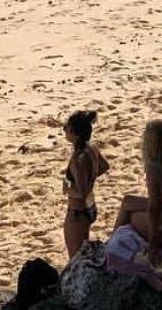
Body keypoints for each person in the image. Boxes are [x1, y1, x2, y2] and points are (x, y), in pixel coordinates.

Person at [114, 120, 162, 265]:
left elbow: (154, 209)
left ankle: (111, 244)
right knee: (127, 201)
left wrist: (153, 245)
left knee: (130, 213)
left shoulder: (154, 169)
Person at [62, 109, 109, 259]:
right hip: (88, 209)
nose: (64, 130)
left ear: (74, 132)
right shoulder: (92, 148)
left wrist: (67, 189)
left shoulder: (78, 159)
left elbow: (82, 192)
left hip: (76, 213)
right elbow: (104, 166)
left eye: (66, 127)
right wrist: (91, 178)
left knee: (76, 260)